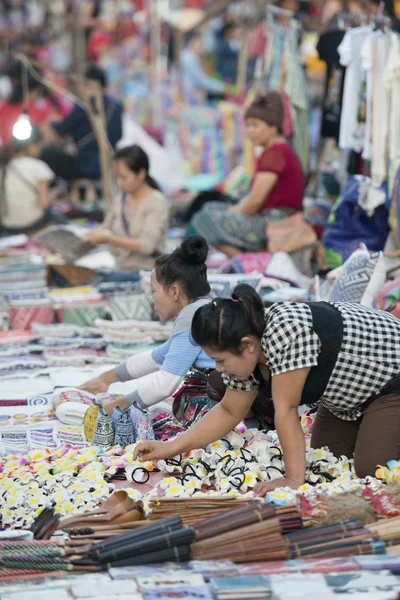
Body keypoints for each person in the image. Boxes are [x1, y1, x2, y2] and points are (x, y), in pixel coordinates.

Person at [133, 284, 400, 496]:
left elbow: (286, 410)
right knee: (328, 458)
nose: (218, 368)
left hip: (390, 380)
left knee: (371, 469)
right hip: (350, 396)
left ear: (247, 345)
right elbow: (228, 410)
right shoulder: (247, 351)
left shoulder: (286, 331)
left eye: (221, 360)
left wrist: (294, 480)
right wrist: (171, 447)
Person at [80, 235, 215, 413]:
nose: (152, 299)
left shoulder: (191, 315)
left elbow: (163, 385)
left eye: (154, 291)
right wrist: (104, 379)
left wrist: (114, 408)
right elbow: (155, 358)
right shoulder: (205, 305)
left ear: (174, 292)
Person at [189, 91, 304, 257]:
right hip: (271, 219)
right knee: (209, 208)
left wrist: (232, 212)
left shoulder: (275, 154)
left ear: (273, 127)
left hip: (274, 223)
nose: (250, 131)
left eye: (255, 125)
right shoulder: (278, 151)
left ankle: (244, 261)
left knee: (203, 219)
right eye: (247, 125)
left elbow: (254, 203)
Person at [84, 144, 169, 273]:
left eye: (123, 177)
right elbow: (105, 227)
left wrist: (108, 238)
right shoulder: (120, 199)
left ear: (141, 174)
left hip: (149, 273)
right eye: (116, 177)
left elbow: (147, 246)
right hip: (122, 268)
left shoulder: (156, 202)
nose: (119, 182)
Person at [42, 65, 122, 182]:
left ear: (87, 85)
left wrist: (48, 124)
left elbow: (61, 130)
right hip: (109, 165)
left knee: (46, 155)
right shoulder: (116, 107)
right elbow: (119, 135)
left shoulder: (84, 106)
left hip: (86, 165)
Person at [0, 125, 55, 233]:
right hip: (33, 224)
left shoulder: (4, 167)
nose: (41, 148)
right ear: (31, 146)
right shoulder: (38, 166)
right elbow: (44, 203)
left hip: (7, 226)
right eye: (40, 144)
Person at [0, 73, 62, 147]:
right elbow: (50, 137)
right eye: (38, 93)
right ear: (33, 91)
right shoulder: (31, 109)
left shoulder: (4, 106)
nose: (38, 97)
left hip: (5, 150)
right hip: (23, 151)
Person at [180, 32, 227, 102]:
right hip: (187, 95)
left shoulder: (187, 55)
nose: (203, 48)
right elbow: (200, 80)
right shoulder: (189, 58)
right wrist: (221, 87)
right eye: (201, 45)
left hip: (186, 93)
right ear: (193, 44)